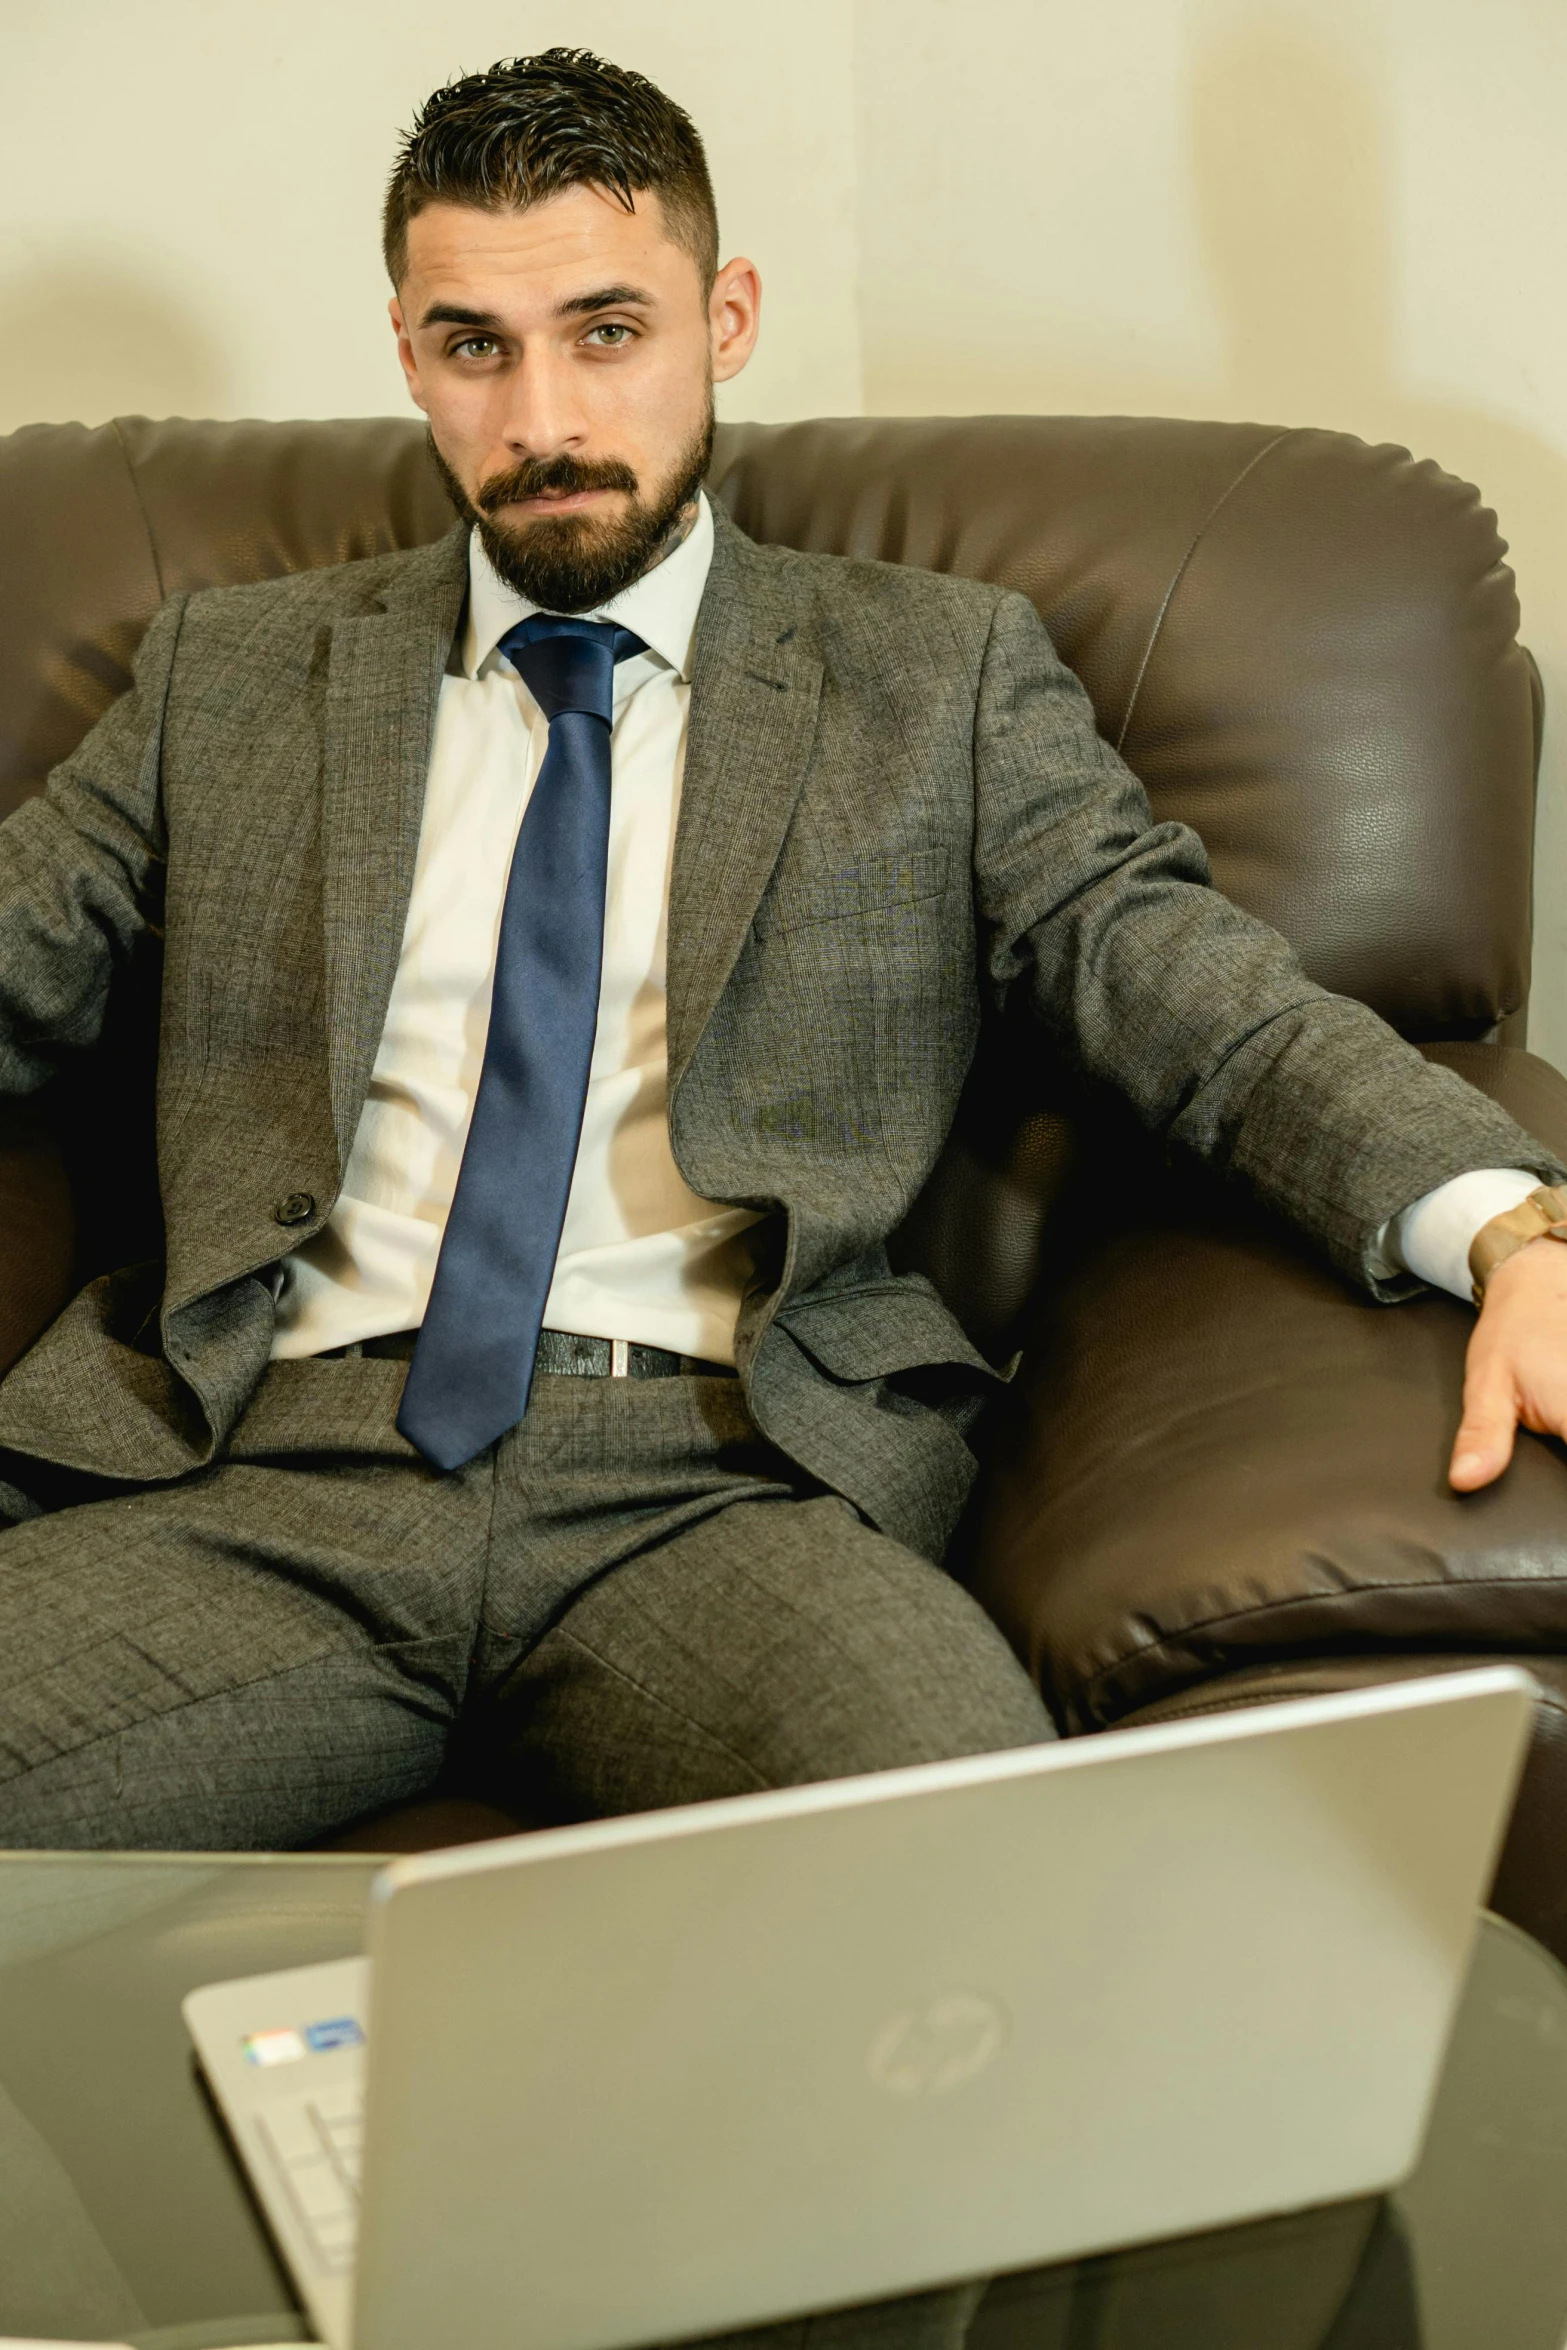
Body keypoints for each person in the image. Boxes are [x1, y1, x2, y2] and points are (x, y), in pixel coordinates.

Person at [0, 51, 1562, 1848]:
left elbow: (1187, 993)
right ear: (408, 351)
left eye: (608, 329)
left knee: (977, 1901)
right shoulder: (236, 673)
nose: (542, 419)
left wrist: (1511, 1226)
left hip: (723, 1482)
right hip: (271, 1473)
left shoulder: (936, 676)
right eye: (474, 345)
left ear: (723, 318)